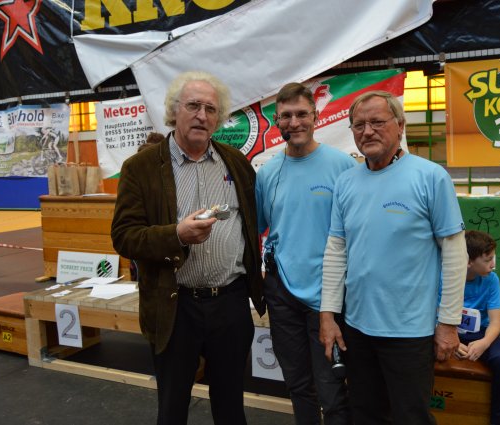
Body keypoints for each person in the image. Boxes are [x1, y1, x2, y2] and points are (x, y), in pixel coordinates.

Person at [111, 71, 265, 425]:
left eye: (211, 109)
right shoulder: (141, 168)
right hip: (175, 305)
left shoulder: (236, 163)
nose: (202, 115)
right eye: (193, 106)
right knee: (172, 408)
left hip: (230, 303)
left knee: (231, 407)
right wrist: (176, 235)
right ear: (173, 111)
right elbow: (124, 236)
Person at [319, 90, 468, 424]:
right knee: (365, 414)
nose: (367, 131)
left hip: (410, 331)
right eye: (359, 125)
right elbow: (336, 251)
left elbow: (455, 253)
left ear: (400, 126)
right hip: (357, 327)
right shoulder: (345, 182)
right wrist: (328, 315)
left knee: (410, 416)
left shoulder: (430, 177)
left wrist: (448, 323)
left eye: (377, 122)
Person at [255, 82, 355, 425]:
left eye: (301, 114)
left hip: (329, 294)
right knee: (297, 384)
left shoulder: (342, 166)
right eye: (286, 116)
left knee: (332, 390)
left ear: (315, 116)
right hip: (282, 293)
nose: (294, 122)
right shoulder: (268, 173)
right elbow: (261, 227)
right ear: (276, 121)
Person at [456, 230, 500, 425]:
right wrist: (452, 341)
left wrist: (484, 343)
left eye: (493, 258)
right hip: (447, 331)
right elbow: (433, 318)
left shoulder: (492, 280)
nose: (493, 264)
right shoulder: (445, 277)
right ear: (468, 262)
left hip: (480, 333)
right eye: (488, 260)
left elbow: (496, 322)